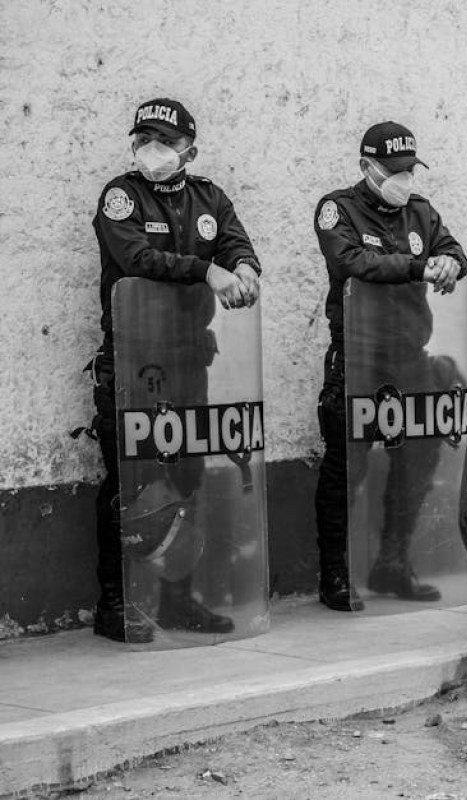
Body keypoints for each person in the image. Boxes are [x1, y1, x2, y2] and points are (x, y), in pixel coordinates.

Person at [90, 97, 262, 642]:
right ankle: (116, 606)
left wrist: (244, 268)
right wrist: (207, 270)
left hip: (190, 362)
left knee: (184, 479)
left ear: (190, 149)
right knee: (131, 478)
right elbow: (136, 259)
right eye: (143, 139)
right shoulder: (123, 196)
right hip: (135, 364)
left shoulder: (209, 197)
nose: (152, 150)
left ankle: (177, 600)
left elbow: (237, 243)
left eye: (163, 141)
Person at [313, 121, 467, 612]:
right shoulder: (337, 209)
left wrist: (450, 264)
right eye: (394, 171)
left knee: (415, 464)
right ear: (367, 168)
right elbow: (353, 264)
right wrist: (420, 266)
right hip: (359, 359)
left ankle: (392, 563)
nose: (405, 179)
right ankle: (335, 574)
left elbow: (453, 251)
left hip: (410, 360)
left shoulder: (421, 213)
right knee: (347, 467)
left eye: (409, 170)